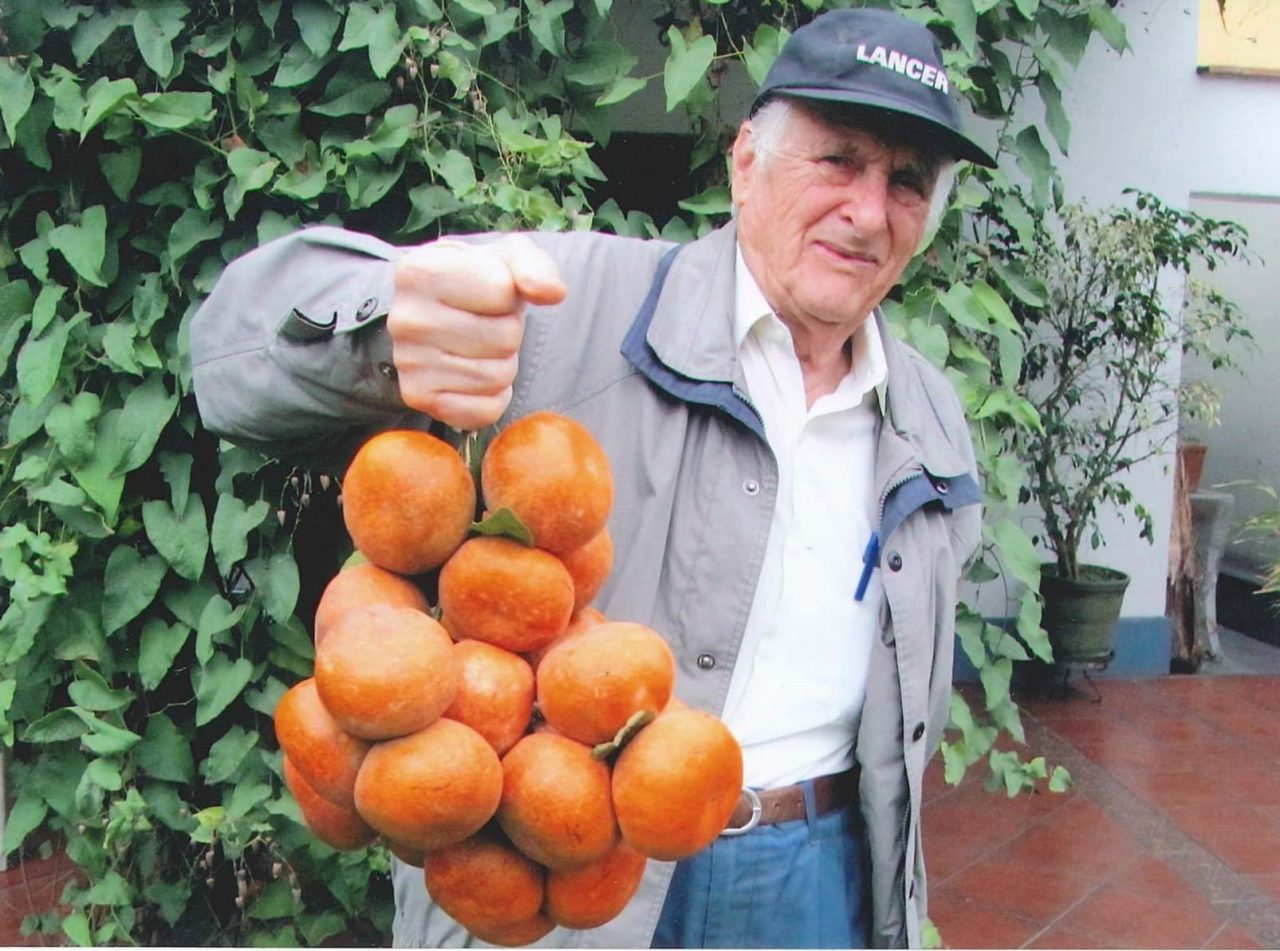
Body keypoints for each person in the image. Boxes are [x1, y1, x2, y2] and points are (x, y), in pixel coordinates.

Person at [191, 7, 995, 948]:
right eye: (838, 159)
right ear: (747, 163)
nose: (868, 210)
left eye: (906, 182)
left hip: (815, 881)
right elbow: (228, 357)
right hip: (582, 877)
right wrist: (383, 323)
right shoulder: (569, 304)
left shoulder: (931, 419)